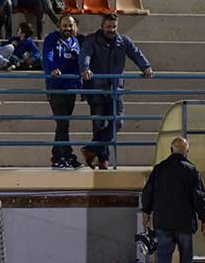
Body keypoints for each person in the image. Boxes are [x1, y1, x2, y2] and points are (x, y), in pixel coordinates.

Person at [79, 13, 154, 169]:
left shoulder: (123, 41)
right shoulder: (91, 40)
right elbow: (85, 55)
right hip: (96, 88)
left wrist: (146, 66)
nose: (111, 30)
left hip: (115, 89)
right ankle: (103, 160)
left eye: (114, 27)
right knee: (98, 124)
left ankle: (91, 149)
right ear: (102, 26)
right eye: (108, 27)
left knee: (118, 122)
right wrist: (85, 68)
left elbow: (136, 53)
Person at [141, 137, 205, 263]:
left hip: (163, 222)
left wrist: (146, 213)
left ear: (171, 150)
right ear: (186, 152)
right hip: (185, 223)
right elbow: (199, 197)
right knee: (186, 260)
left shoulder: (159, 169)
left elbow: (148, 192)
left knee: (164, 259)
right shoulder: (191, 170)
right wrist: (204, 219)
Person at [43, 14, 83, 169]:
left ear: (75, 26)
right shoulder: (52, 39)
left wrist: (80, 84)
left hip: (70, 88)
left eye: (70, 25)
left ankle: (57, 156)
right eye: (65, 25)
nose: (67, 28)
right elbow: (47, 56)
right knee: (62, 123)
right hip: (57, 87)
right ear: (59, 26)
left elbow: (78, 64)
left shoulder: (75, 42)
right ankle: (67, 155)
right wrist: (52, 69)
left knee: (63, 124)